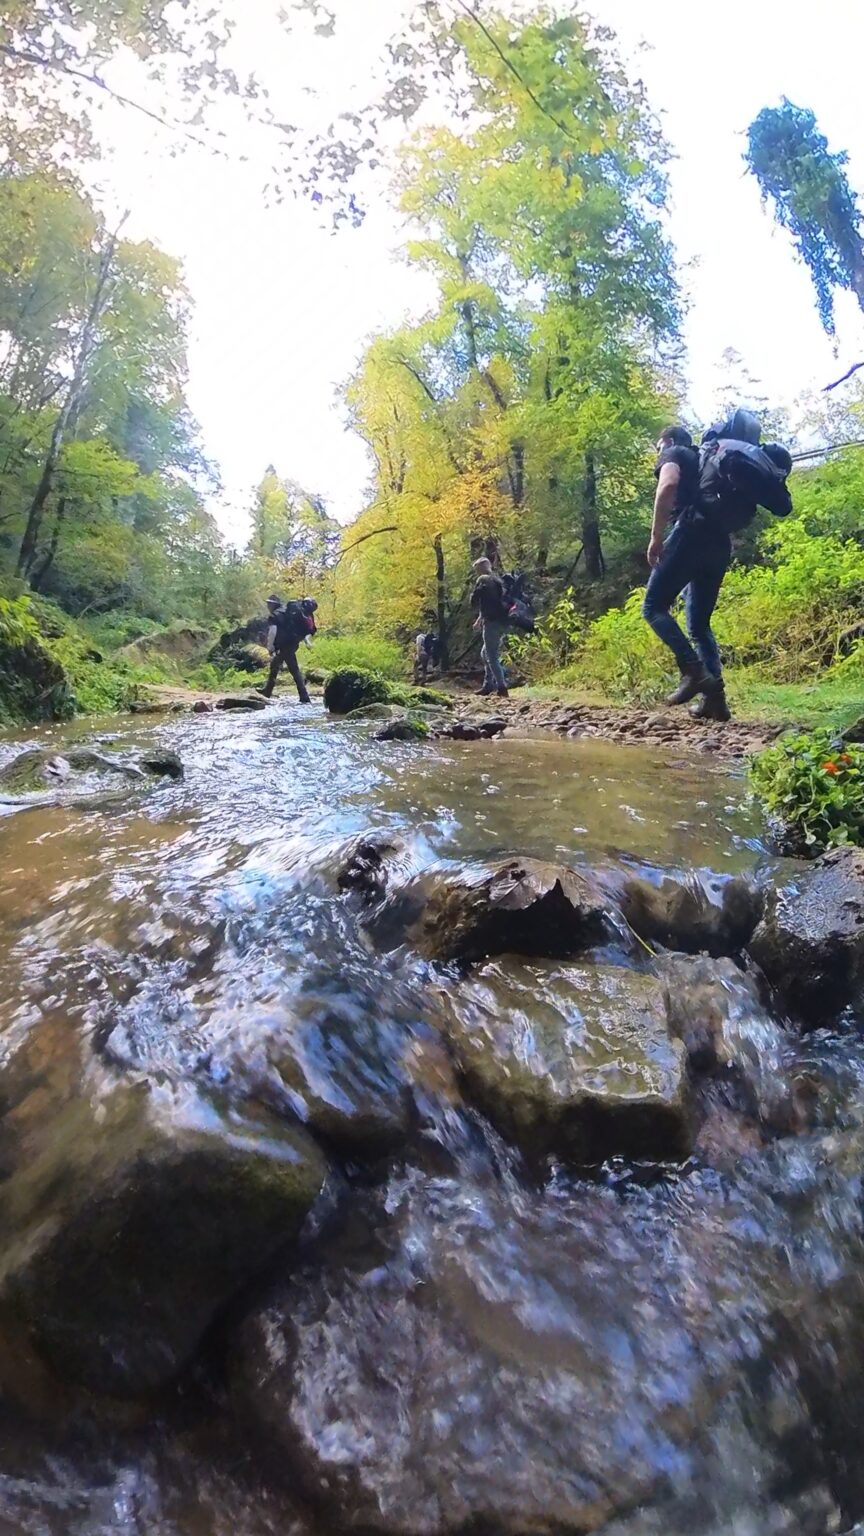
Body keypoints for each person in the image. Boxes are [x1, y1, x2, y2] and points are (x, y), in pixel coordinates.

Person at [642, 425, 731, 722]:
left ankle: (693, 671)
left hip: (690, 533)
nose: (658, 451)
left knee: (653, 607)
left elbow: (667, 485)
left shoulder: (674, 451)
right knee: (699, 624)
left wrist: (656, 537)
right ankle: (715, 702)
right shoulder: (705, 461)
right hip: (719, 543)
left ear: (667, 440)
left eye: (659, 445)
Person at [261, 593, 312, 704]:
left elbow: (272, 632)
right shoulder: (286, 611)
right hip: (292, 644)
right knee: (284, 667)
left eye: (269, 604)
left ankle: (303, 696)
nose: (267, 606)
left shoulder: (274, 616)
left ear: (273, 605)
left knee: (286, 669)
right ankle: (303, 696)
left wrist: (270, 646)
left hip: (284, 646)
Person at [470, 556, 509, 698]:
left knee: (491, 656)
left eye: (476, 569)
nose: (476, 572)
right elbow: (490, 603)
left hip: (492, 623)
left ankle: (502, 687)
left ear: (480, 568)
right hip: (503, 621)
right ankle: (488, 685)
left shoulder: (482, 580)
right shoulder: (497, 580)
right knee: (485, 653)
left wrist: (473, 596)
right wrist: (479, 620)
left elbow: (475, 600)